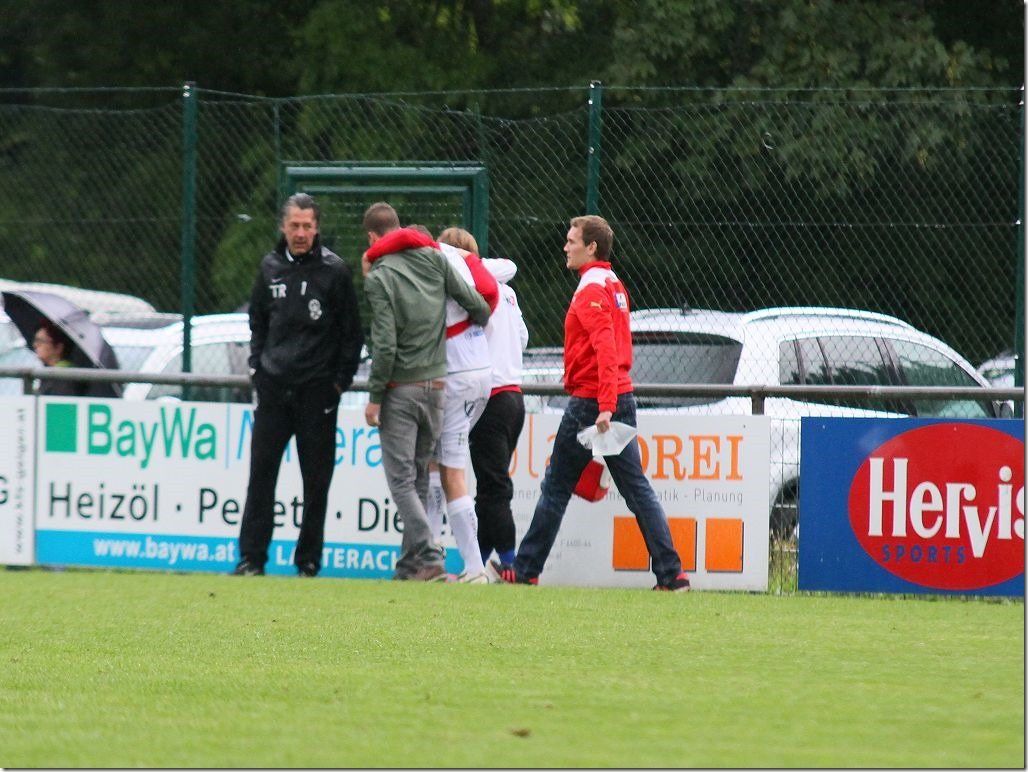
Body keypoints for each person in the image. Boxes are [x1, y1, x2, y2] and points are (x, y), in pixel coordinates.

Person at [489, 215, 690, 591]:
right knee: (636, 489)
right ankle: (672, 574)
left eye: (572, 241)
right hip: (617, 397)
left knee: (556, 486)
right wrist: (613, 400)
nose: (566, 247)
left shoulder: (590, 290)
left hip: (592, 403)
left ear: (591, 247)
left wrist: (605, 406)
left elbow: (606, 349)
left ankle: (527, 569)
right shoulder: (612, 283)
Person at [233, 193, 364, 578]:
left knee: (316, 482)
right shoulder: (269, 267)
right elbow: (257, 322)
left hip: (317, 393)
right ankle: (251, 559)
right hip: (274, 389)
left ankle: (308, 561)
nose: (301, 233)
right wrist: (258, 368)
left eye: (308, 226)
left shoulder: (334, 272)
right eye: (295, 225)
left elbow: (352, 334)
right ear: (283, 227)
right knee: (261, 476)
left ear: (317, 228)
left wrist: (338, 384)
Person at [361, 203, 493, 582]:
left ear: (371, 237)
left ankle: (429, 553)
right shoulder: (434, 259)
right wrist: (470, 324)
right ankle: (411, 566)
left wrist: (375, 396)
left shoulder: (380, 276)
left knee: (401, 480)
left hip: (402, 388)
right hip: (438, 386)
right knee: (420, 476)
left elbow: (385, 344)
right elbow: (477, 304)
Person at [436, 227, 528, 575]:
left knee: (492, 485)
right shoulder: (508, 292)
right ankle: (479, 558)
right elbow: (523, 338)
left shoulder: (465, 293)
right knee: (491, 484)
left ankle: (509, 563)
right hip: (514, 396)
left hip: (489, 397)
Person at [32, 320, 88, 396]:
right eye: (35, 340)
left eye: (40, 341)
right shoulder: (50, 373)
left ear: (58, 347)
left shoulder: (65, 377)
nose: (35, 345)